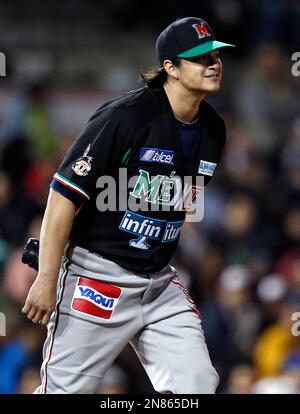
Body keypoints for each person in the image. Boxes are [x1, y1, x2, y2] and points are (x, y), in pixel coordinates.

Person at [22, 17, 235, 394]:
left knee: (197, 383)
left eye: (215, 55)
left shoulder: (213, 130)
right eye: (201, 58)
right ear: (170, 68)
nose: (213, 63)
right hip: (97, 277)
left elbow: (179, 204)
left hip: (157, 283)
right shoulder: (126, 116)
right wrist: (46, 277)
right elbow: (62, 195)